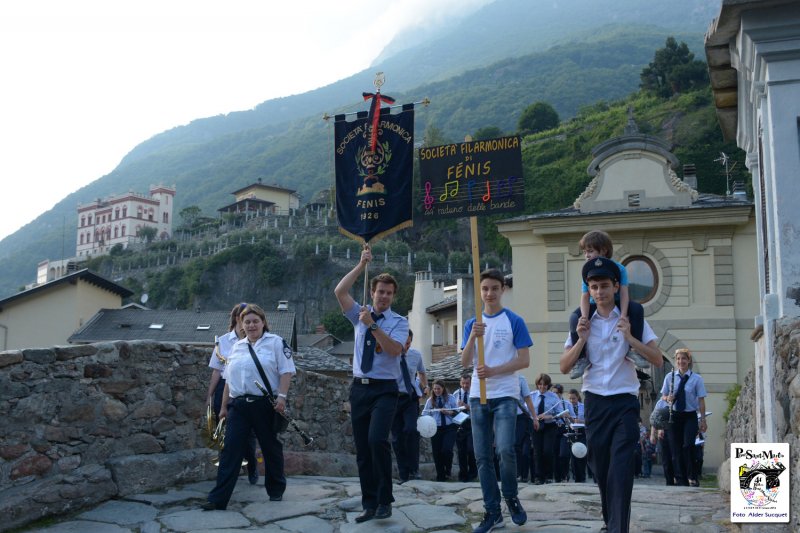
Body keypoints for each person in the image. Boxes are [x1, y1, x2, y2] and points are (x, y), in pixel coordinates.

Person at [561, 257, 662, 533]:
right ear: (589, 290)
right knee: (601, 467)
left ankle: (618, 528)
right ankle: (610, 521)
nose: (599, 292)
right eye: (594, 287)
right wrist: (581, 339)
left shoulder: (631, 319)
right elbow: (564, 366)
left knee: (620, 469)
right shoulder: (582, 321)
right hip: (594, 403)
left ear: (616, 286)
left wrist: (630, 339)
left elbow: (657, 359)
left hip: (624, 404)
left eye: (604, 285)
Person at [334, 244, 408, 523]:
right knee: (363, 448)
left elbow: (394, 350)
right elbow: (340, 292)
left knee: (378, 440)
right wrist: (361, 265)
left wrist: (373, 326)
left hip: (385, 389)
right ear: (372, 293)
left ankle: (385, 500)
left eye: (389, 293)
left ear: (393, 296)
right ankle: (370, 503)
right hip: (360, 387)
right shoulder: (359, 314)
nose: (384, 297)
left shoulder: (398, 322)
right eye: (380, 292)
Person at [203, 304, 296, 510]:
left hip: (265, 404)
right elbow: (228, 379)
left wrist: (281, 398)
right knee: (230, 450)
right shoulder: (236, 347)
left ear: (263, 322)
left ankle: (276, 489)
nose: (251, 325)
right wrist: (224, 406)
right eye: (247, 322)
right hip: (239, 405)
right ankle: (218, 499)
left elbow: (286, 372)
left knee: (270, 447)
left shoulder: (276, 343)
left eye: (255, 321)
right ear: (241, 325)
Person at [460, 268, 532, 533]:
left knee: (504, 449)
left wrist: (494, 370)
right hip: (478, 396)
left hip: (505, 394)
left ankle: (511, 497)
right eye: (485, 289)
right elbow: (465, 362)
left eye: (494, 288)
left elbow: (524, 360)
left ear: (503, 290)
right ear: (480, 292)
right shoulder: (472, 323)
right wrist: (471, 336)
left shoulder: (514, 321)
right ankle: (492, 512)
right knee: (482, 457)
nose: (489, 293)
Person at [569, 230, 648, 379]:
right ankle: (581, 358)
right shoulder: (587, 271)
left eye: (590, 251)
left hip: (615, 301)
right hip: (594, 304)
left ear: (604, 250)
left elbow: (624, 292)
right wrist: (584, 317)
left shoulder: (619, 269)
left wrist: (624, 315)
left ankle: (634, 350)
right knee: (574, 318)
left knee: (637, 309)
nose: (586, 255)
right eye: (585, 252)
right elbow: (585, 296)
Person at [205, 302, 259, 485]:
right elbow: (216, 371)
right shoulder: (222, 341)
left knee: (249, 434)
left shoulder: (256, 338)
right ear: (238, 318)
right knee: (223, 432)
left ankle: (252, 467)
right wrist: (210, 395)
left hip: (246, 388)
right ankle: (226, 473)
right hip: (224, 387)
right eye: (244, 317)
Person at [661, 348, 707, 487]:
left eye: (684, 359)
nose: (681, 361)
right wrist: (667, 397)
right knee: (675, 449)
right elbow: (663, 395)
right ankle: (680, 479)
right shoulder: (670, 377)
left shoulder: (696, 379)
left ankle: (692, 476)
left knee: (688, 445)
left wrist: (703, 419)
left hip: (689, 415)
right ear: (676, 361)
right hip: (674, 416)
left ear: (688, 360)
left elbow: (701, 400)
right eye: (679, 359)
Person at [392, 330, 427, 484]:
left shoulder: (416, 355)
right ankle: (403, 474)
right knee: (397, 438)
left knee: (411, 430)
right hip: (392, 399)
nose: (406, 346)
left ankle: (414, 469)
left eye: (408, 343)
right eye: (403, 343)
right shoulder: (389, 355)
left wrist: (425, 387)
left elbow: (422, 373)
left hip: (410, 398)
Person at [422, 379, 458, 481]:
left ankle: (448, 470)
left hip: (449, 427)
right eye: (435, 389)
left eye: (439, 388)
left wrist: (449, 413)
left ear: (443, 388)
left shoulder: (450, 398)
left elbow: (457, 413)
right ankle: (441, 476)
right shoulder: (430, 401)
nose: (437, 391)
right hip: (436, 429)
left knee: (447, 450)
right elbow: (424, 415)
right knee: (437, 453)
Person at [529, 373, 558, 485]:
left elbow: (559, 413)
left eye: (545, 384)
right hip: (536, 425)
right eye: (540, 384)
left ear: (548, 385)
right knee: (537, 452)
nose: (542, 387)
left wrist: (548, 416)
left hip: (550, 426)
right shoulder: (531, 396)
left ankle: (549, 475)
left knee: (547, 451)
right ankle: (538, 477)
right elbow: (527, 411)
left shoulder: (553, 396)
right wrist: (534, 417)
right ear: (537, 384)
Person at [453, 372, 478, 482]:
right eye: (463, 383)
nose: (465, 386)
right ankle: (463, 475)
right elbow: (452, 408)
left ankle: (473, 473)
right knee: (461, 451)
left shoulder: (475, 393)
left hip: (472, 423)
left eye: (467, 383)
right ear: (460, 382)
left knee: (471, 449)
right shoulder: (455, 394)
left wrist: (468, 407)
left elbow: (479, 409)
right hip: (460, 423)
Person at [551, 383, 575, 482]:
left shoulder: (567, 404)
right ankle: (557, 477)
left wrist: (568, 416)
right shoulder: (550, 403)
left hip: (564, 429)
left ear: (561, 393)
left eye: (557, 393)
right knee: (555, 455)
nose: (555, 395)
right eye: (553, 393)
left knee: (564, 454)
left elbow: (573, 420)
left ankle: (565, 474)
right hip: (552, 429)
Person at [514, 375, 536, 483]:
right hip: (506, 416)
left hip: (520, 417)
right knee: (513, 447)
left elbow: (528, 399)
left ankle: (522, 474)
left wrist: (535, 418)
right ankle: (518, 473)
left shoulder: (520, 379)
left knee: (520, 447)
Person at [568, 389, 587, 482]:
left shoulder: (583, 407)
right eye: (570, 399)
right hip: (572, 432)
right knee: (573, 455)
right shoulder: (568, 407)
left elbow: (589, 420)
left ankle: (582, 476)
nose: (572, 401)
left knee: (581, 453)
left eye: (574, 398)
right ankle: (576, 477)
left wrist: (581, 421)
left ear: (577, 397)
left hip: (582, 431)